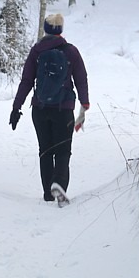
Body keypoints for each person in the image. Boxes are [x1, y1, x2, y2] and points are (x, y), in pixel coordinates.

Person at [10, 13, 89, 206]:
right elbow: (81, 79)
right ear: (61, 30)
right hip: (64, 109)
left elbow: (27, 80)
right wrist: (84, 104)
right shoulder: (71, 51)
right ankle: (59, 184)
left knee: (45, 150)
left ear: (45, 28)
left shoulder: (36, 51)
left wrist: (16, 106)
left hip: (40, 109)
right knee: (63, 150)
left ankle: (47, 192)